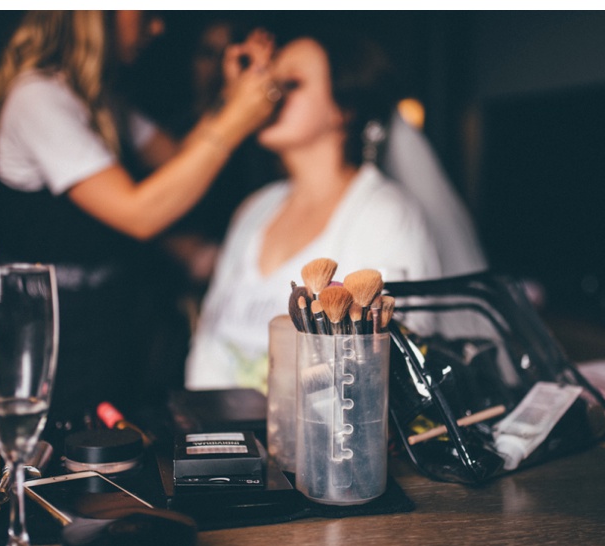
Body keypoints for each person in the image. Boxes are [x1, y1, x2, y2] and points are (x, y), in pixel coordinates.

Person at [0, 10, 280, 432]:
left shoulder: (99, 99)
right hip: (50, 342)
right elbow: (141, 212)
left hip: (111, 326)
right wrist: (236, 118)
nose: (158, 26)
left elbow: (179, 161)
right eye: (145, 13)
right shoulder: (38, 96)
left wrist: (229, 96)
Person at [184, 29, 444, 390]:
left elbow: (395, 361)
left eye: (290, 84)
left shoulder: (384, 214)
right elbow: (209, 346)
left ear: (344, 108)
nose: (267, 96)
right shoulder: (254, 208)